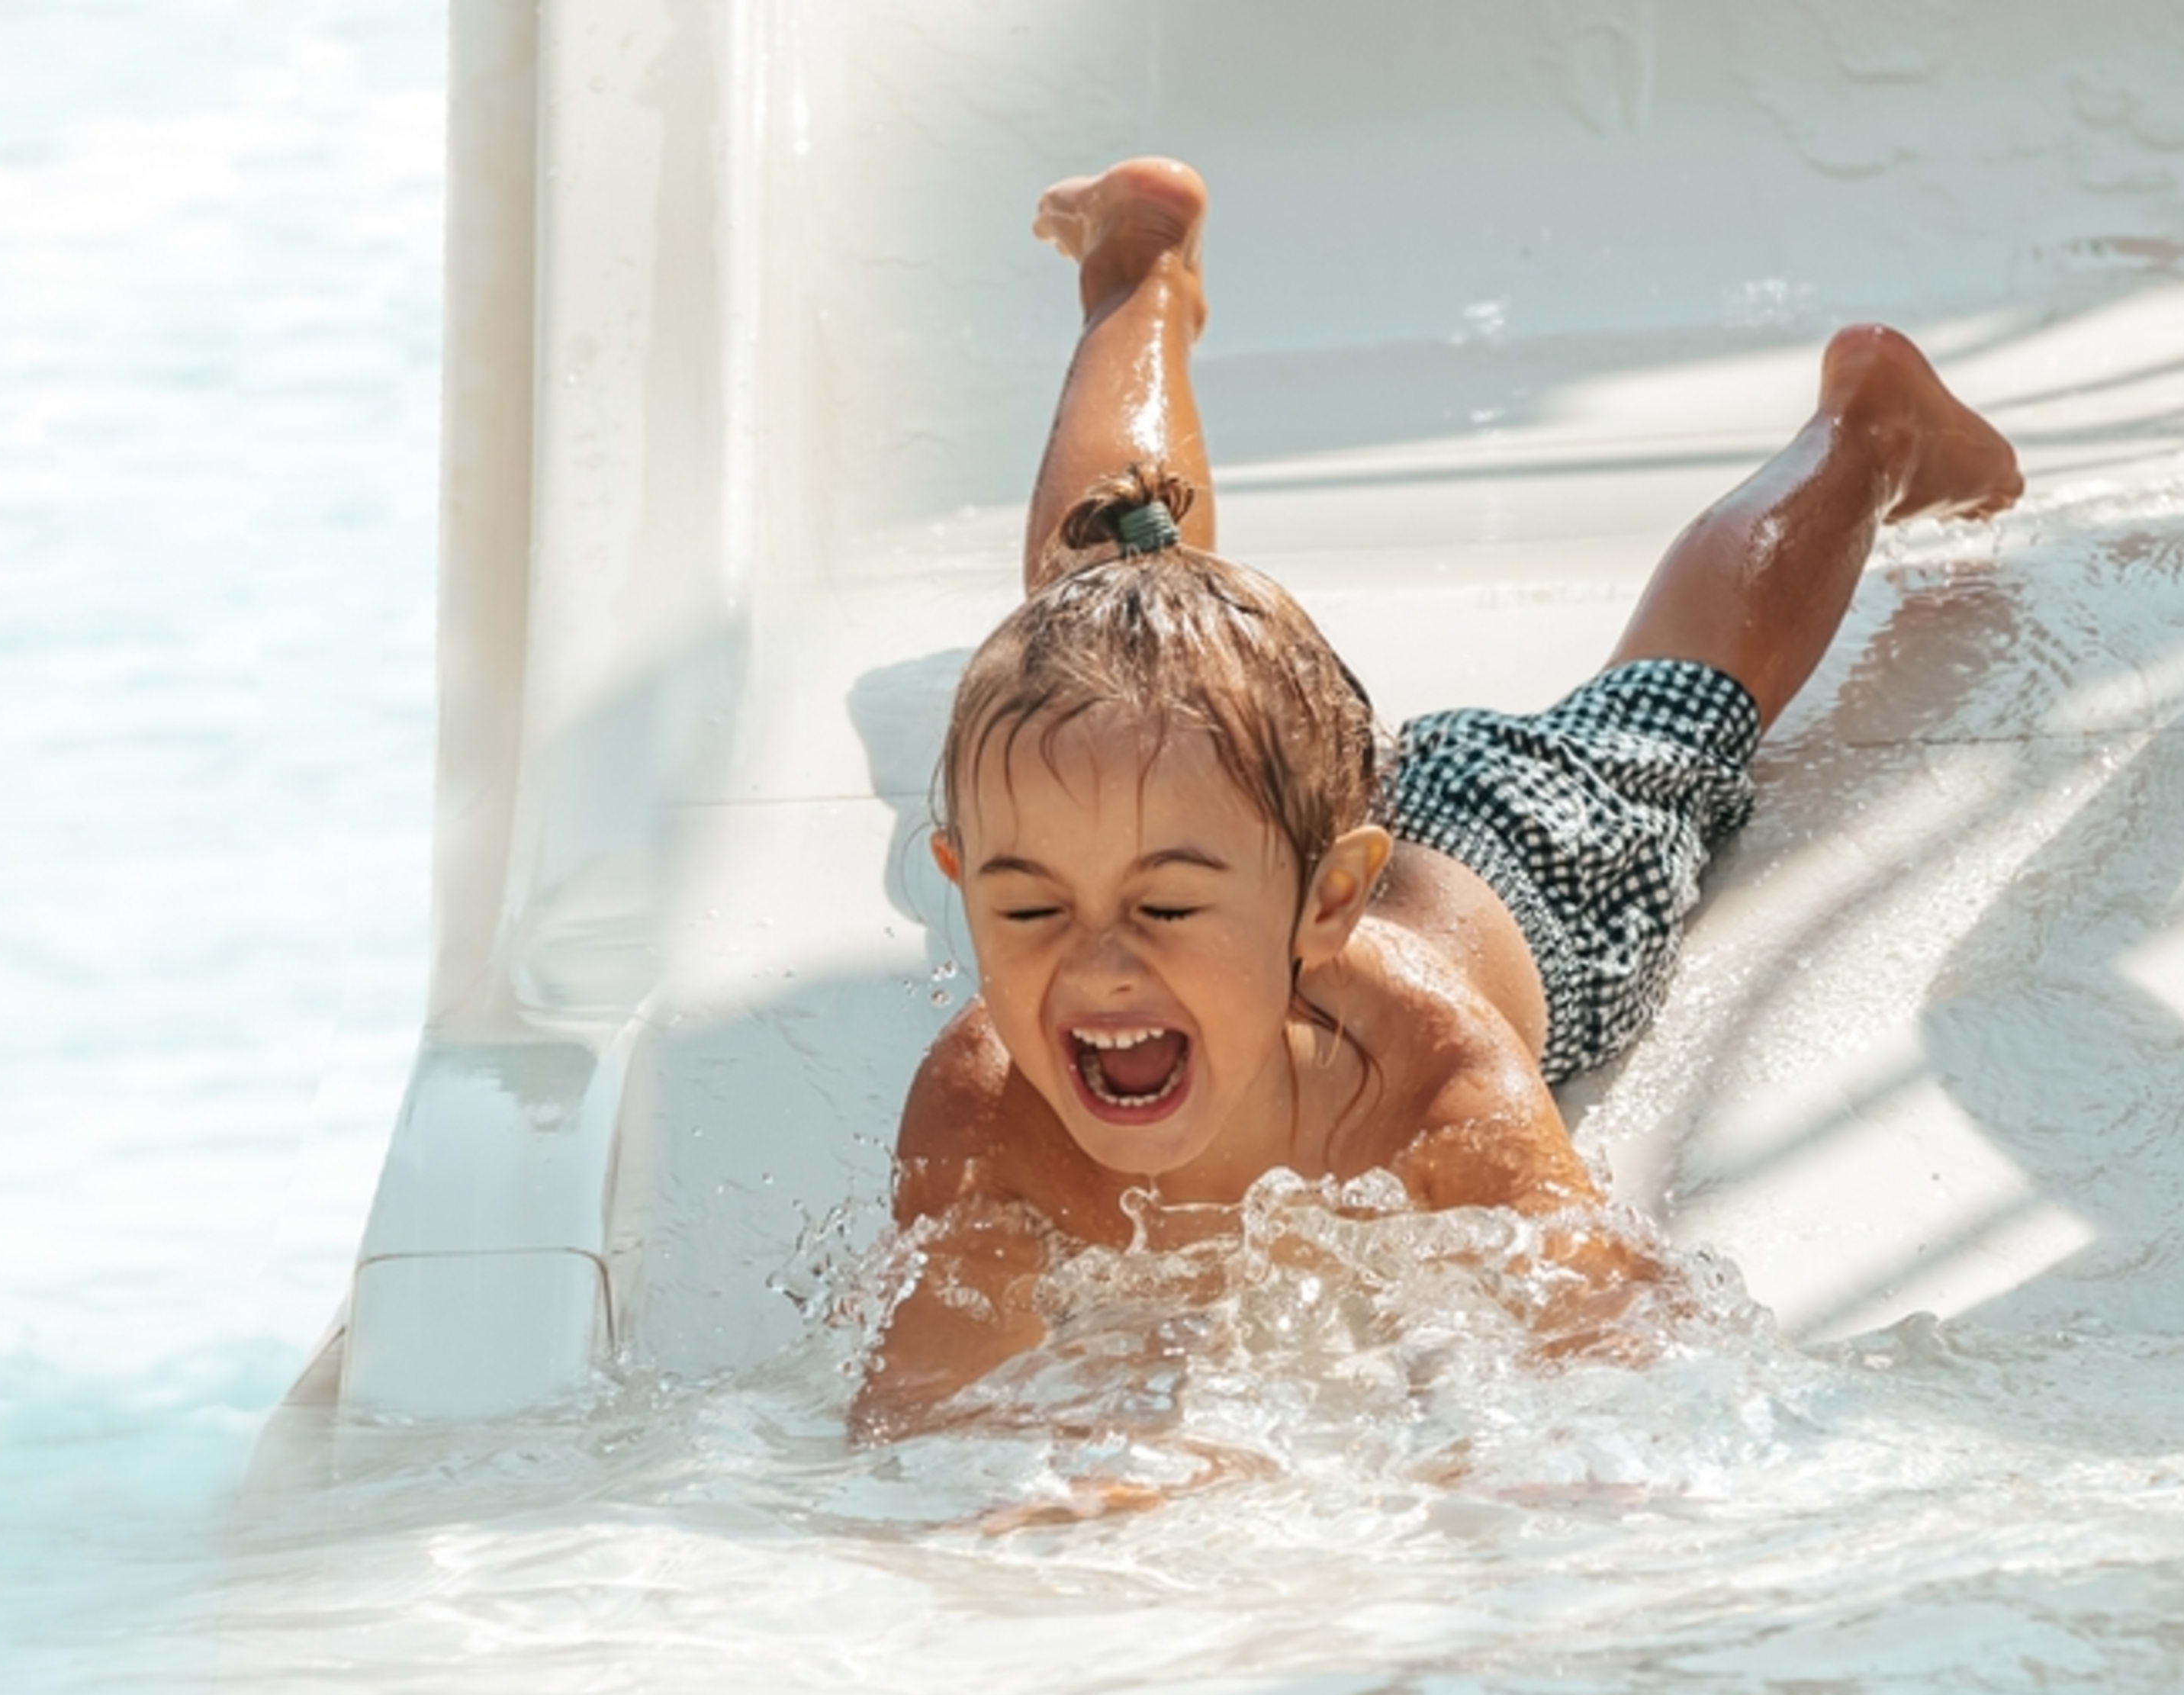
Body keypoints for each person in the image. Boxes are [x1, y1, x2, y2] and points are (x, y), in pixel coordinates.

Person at [857, 156, 2020, 1436]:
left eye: (1164, 912)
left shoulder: (1417, 1071)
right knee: (1103, 616)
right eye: (1029, 910)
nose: (1097, 965)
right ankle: (1137, 273)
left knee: (1676, 704)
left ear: (1328, 903)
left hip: (1511, 850)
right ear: (964, 883)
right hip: (1234, 818)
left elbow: (1625, 1359)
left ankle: (1869, 434)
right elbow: (920, 1415)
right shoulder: (985, 1106)